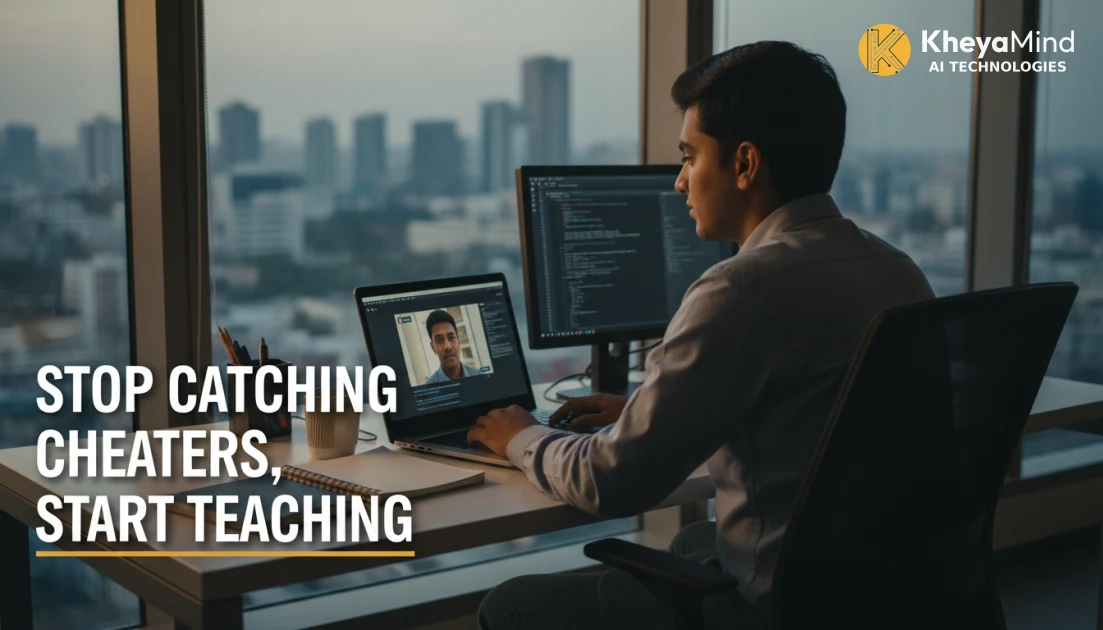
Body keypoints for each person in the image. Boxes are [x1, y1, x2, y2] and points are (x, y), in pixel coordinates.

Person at [470, 41, 938, 629]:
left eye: (689, 156)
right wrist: (649, 409)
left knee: (509, 606)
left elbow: (607, 482)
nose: (679, 181)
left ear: (744, 164)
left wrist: (521, 435)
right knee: (695, 539)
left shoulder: (740, 290)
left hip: (780, 607)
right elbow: (816, 415)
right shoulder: (898, 269)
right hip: (882, 591)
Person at [422, 309, 479, 384]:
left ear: (458, 340)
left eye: (451, 338)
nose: (447, 346)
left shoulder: (478, 376)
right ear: (433, 348)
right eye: (439, 340)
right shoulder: (429, 388)